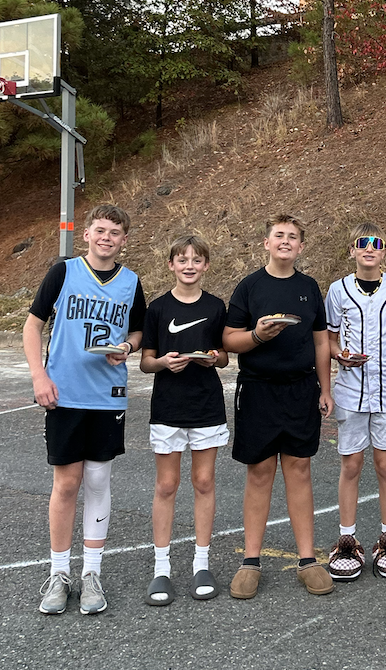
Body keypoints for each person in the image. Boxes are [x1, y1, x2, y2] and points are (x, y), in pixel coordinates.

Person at [23, 204, 146, 616]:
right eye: (100, 230)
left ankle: (92, 572)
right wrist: (39, 376)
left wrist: (127, 346)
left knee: (97, 479)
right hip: (65, 392)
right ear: (87, 234)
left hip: (107, 394)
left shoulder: (131, 282)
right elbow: (33, 324)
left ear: (124, 239)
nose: (107, 237)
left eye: (115, 232)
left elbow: (139, 330)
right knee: (66, 484)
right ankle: (59, 573)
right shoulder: (63, 272)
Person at [222, 214, 335, 599]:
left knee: (299, 469)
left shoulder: (309, 287)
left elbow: (321, 341)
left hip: (301, 389)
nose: (285, 241)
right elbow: (229, 339)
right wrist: (257, 335)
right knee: (259, 472)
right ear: (266, 243)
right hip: (258, 389)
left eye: (292, 237)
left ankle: (308, 560)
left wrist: (325, 388)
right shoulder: (250, 286)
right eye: (279, 235)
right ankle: (250, 561)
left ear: (301, 246)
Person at [139, 234, 230, 606]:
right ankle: (161, 569)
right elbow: (146, 362)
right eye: (182, 259)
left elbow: (224, 356)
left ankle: (201, 564)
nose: (189, 265)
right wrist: (163, 362)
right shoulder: (158, 308)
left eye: (196, 259)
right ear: (171, 265)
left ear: (205, 265)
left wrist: (214, 359)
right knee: (166, 485)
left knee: (204, 482)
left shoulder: (216, 306)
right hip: (168, 407)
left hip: (206, 405)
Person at [324, 223, 386, 581]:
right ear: (352, 250)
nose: (369, 249)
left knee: (385, 465)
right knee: (351, 465)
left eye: (376, 244)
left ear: (384, 251)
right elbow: (329, 339)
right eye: (362, 243)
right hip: (350, 391)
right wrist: (339, 355)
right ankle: (347, 539)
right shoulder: (338, 290)